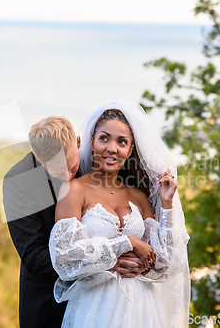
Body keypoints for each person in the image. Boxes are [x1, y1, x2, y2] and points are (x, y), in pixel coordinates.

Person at [49, 100, 190, 328]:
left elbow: (167, 262)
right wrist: (127, 243)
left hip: (143, 309)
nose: (112, 148)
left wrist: (166, 203)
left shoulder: (139, 197)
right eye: (104, 138)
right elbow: (65, 259)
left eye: (121, 141)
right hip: (96, 308)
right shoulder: (74, 190)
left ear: (130, 149)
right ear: (92, 143)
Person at [3, 115, 146, 328]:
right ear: (37, 156)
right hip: (47, 301)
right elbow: (33, 255)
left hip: (103, 302)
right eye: (57, 171)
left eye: (72, 167)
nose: (68, 176)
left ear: (78, 143)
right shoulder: (17, 181)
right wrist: (105, 262)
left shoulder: (93, 160)